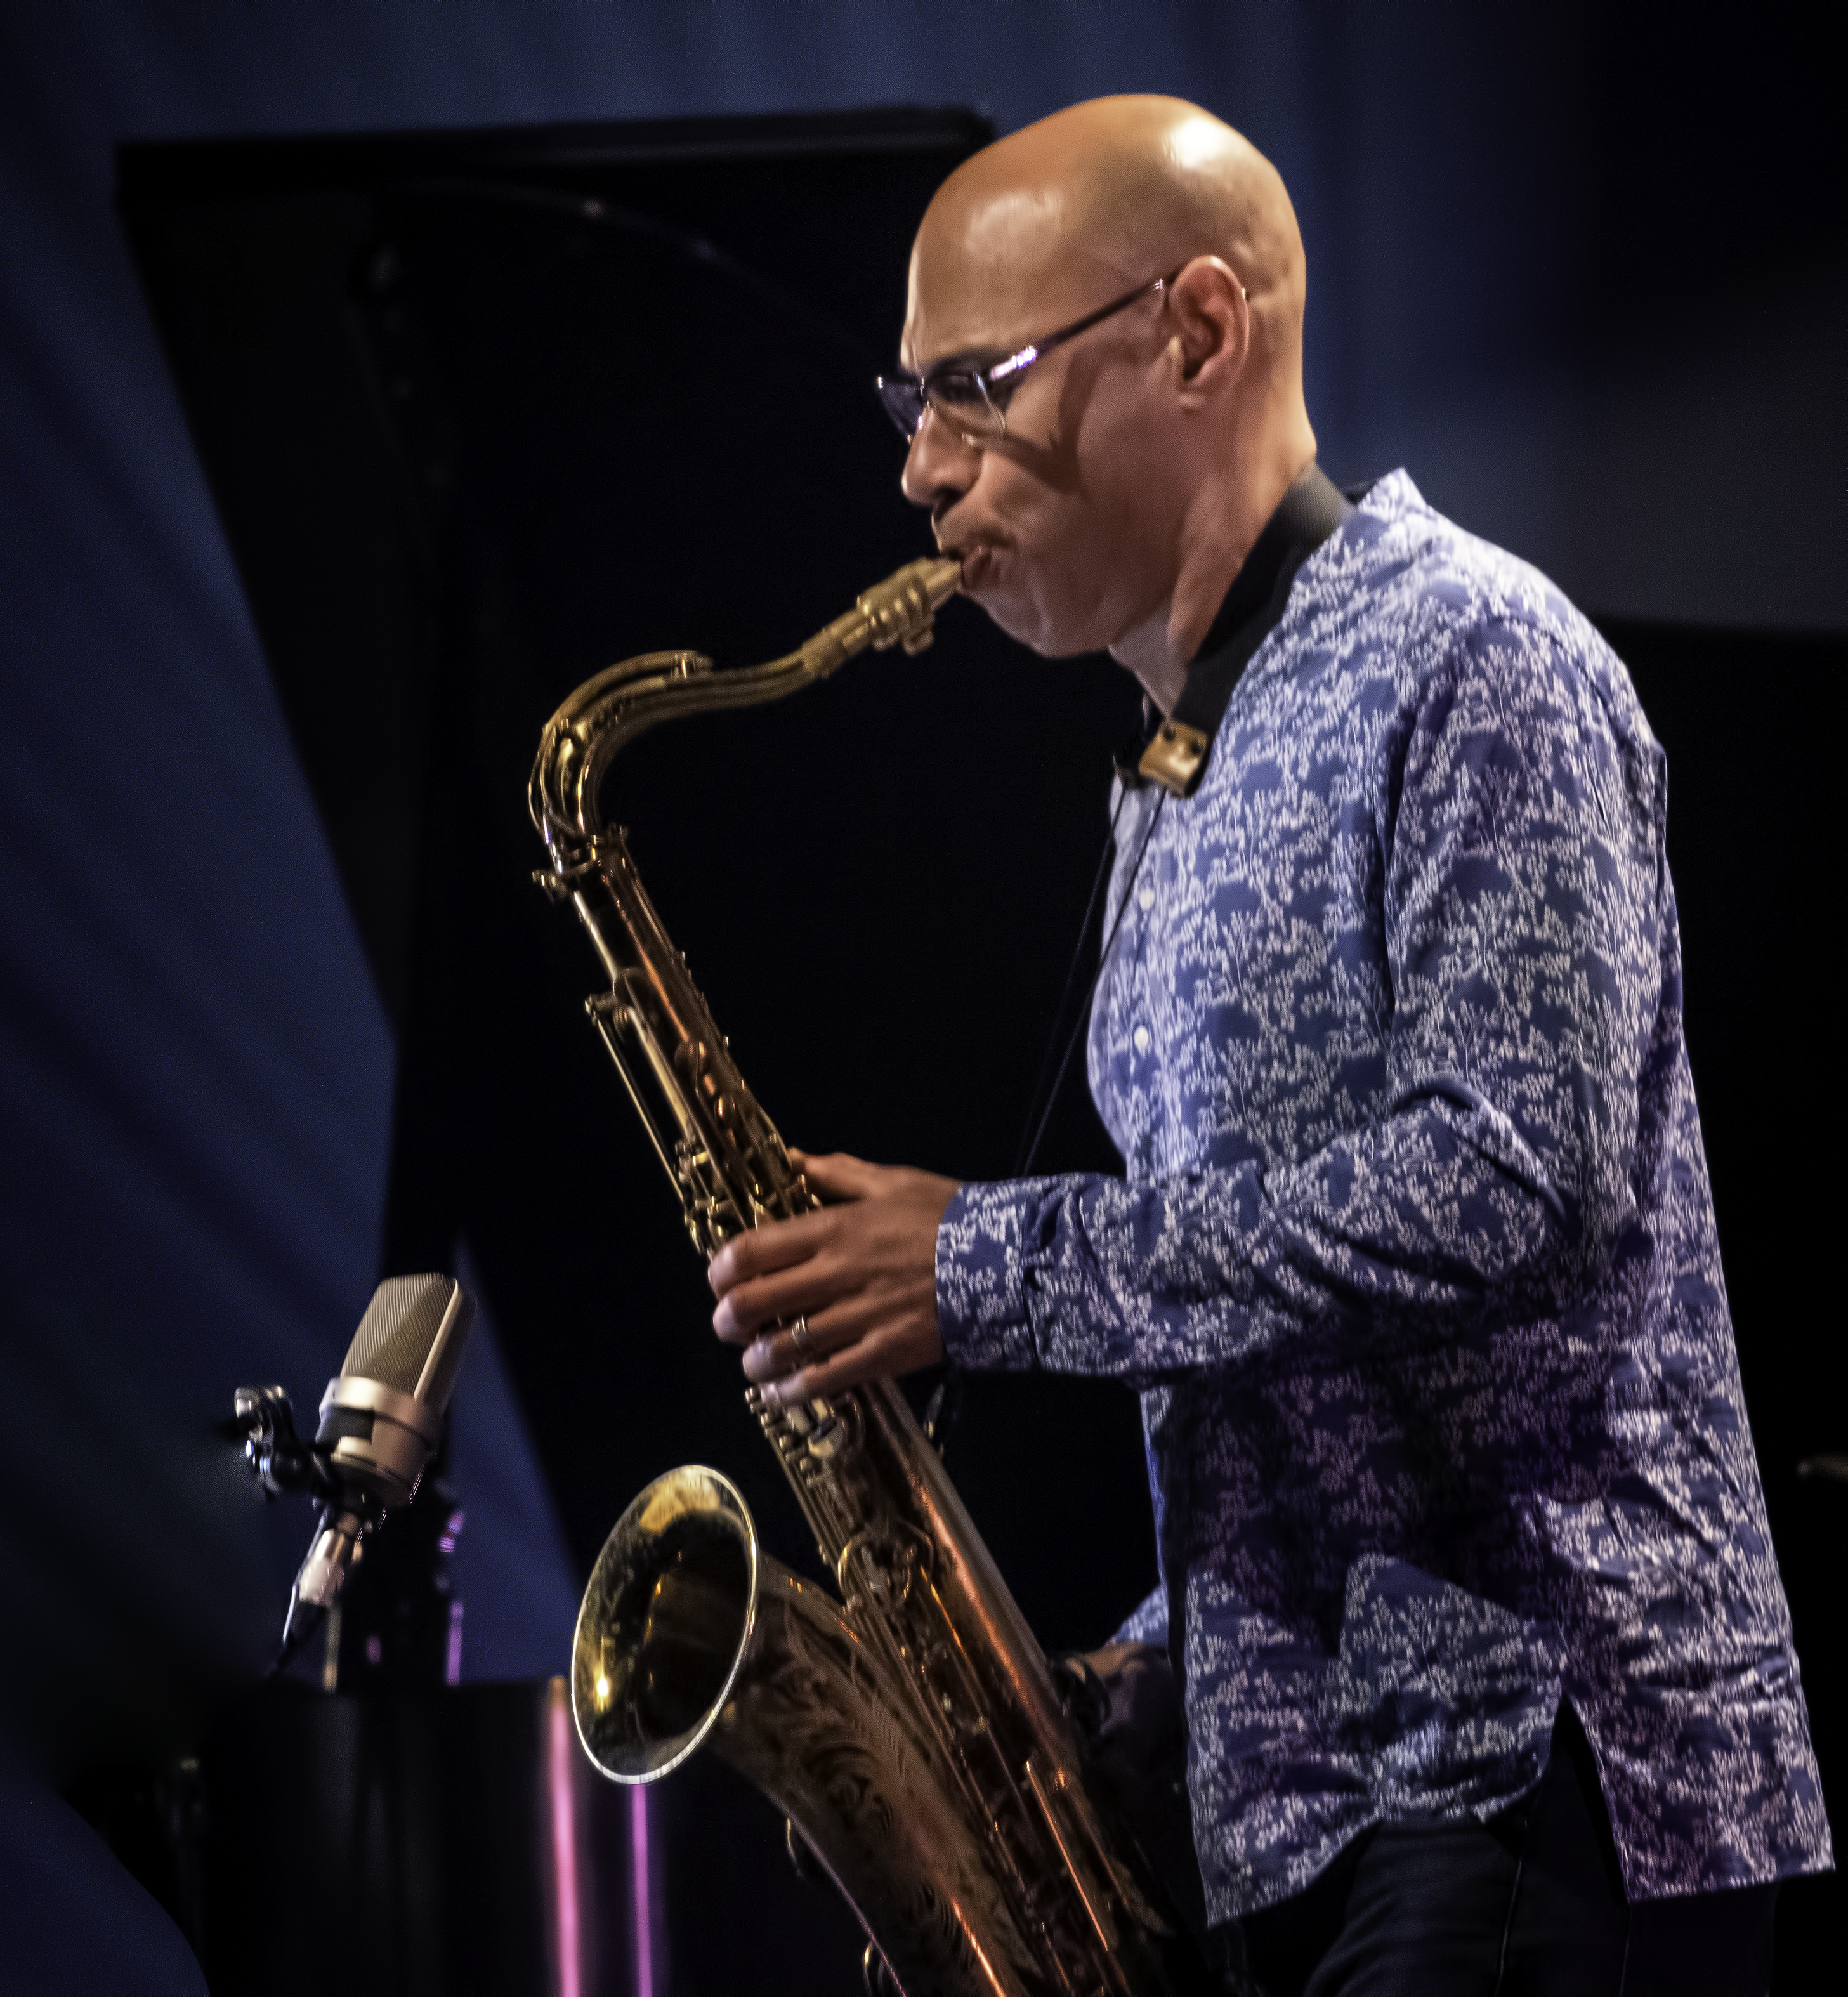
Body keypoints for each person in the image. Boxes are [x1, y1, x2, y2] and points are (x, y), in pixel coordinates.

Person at [703, 95, 1832, 1993]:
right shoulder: (1167, 775)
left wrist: (984, 1261)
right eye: (911, 407)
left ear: (1198, 332)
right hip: (1319, 1798)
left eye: (976, 383)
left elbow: (1511, 1184)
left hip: (1523, 1779)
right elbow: (1329, 1371)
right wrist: (1164, 1652)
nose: (923, 469)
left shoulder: (1475, 655)